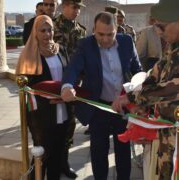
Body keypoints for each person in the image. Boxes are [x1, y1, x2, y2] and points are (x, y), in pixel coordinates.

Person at [112, 0, 179, 180]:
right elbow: (156, 74)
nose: (158, 31)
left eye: (161, 26)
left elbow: (176, 87)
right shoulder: (175, 45)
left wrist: (132, 98)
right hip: (165, 129)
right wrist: (140, 108)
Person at [61, 12, 142, 180]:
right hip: (98, 107)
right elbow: (73, 68)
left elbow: (137, 69)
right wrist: (67, 86)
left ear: (116, 30)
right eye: (101, 34)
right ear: (93, 31)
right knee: (98, 152)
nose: (105, 39)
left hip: (122, 106)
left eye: (110, 34)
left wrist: (138, 91)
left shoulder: (127, 42)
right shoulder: (85, 45)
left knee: (123, 150)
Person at [16, 15, 69, 180]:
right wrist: (47, 96)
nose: (48, 34)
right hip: (41, 114)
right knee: (42, 154)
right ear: (35, 33)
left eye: (50, 29)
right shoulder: (29, 54)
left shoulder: (61, 50)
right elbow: (25, 86)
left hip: (63, 110)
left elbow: (69, 76)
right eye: (43, 30)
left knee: (58, 154)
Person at [53, 0, 87, 178]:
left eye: (79, 8)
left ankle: (64, 163)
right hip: (54, 82)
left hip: (73, 85)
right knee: (51, 126)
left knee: (69, 125)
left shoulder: (81, 30)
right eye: (74, 7)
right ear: (64, 6)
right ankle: (49, 162)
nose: (77, 11)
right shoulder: (51, 27)